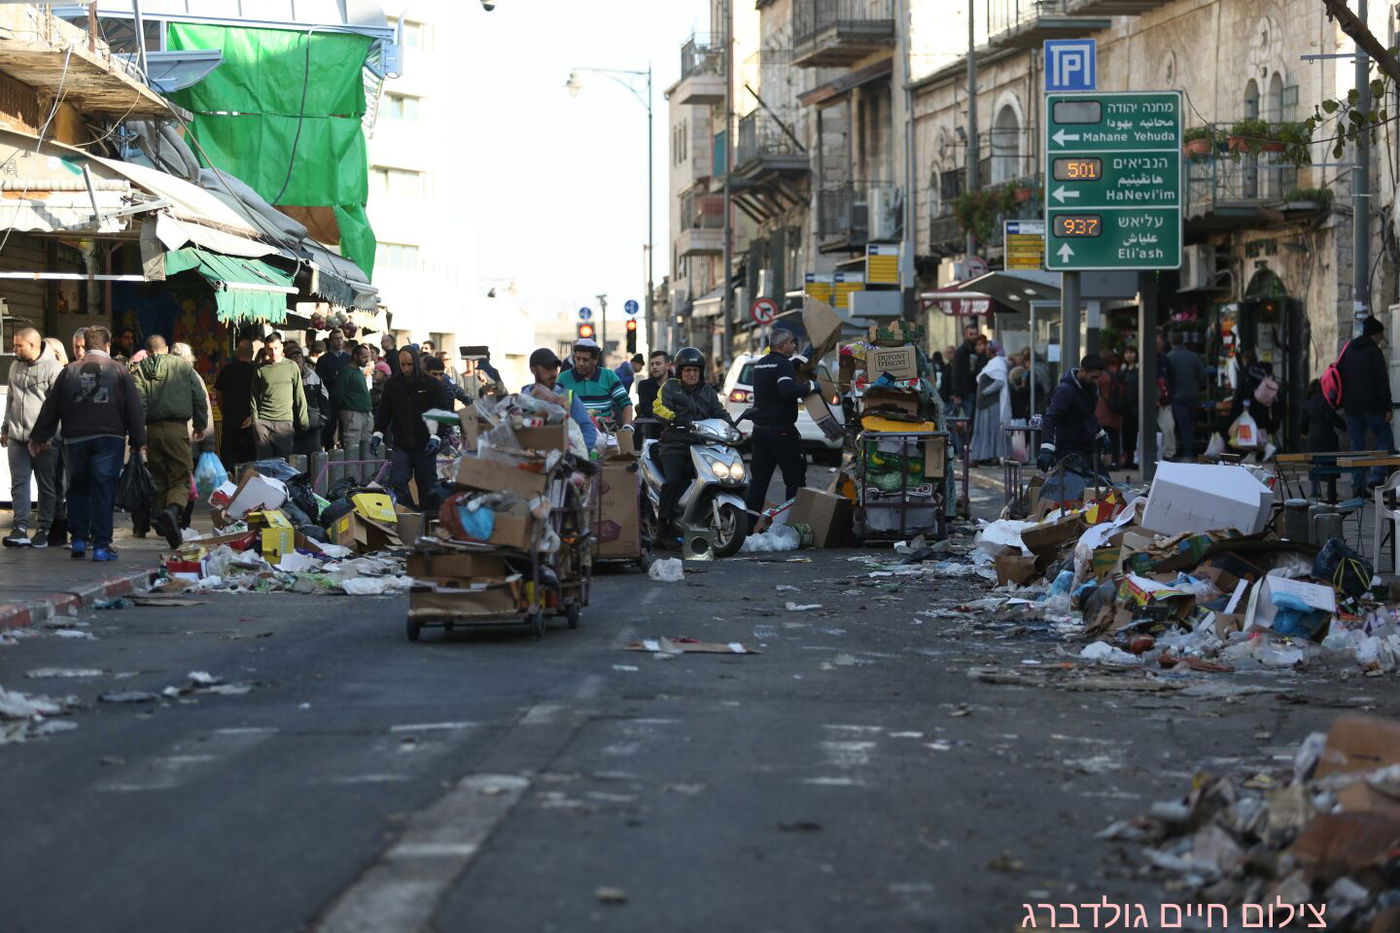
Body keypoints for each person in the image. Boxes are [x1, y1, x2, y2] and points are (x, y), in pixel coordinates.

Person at [29, 326, 145, 561]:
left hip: (75, 439)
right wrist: (137, 440)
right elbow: (134, 407)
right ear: (108, 345)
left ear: (87, 344)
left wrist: (39, 436)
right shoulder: (119, 370)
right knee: (103, 490)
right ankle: (101, 546)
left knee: (77, 488)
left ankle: (79, 541)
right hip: (109, 438)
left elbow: (51, 406)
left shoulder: (69, 371)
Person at [132, 335, 208, 548]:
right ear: (166, 348)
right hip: (177, 429)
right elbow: (198, 396)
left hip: (152, 431)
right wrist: (200, 425)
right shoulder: (182, 367)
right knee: (181, 477)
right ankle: (173, 511)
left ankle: (164, 518)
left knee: (159, 478)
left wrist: (139, 434)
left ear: (147, 352)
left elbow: (139, 403)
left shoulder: (139, 370)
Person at [741, 328, 819, 530]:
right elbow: (787, 390)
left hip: (760, 432)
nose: (794, 345)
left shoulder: (761, 364)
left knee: (759, 482)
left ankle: (747, 528)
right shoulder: (782, 364)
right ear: (782, 345)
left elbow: (780, 369)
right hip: (782, 432)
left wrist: (801, 359)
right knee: (795, 479)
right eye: (792, 342)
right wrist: (811, 387)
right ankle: (791, 526)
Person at [653, 347, 731, 541]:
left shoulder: (708, 391)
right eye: (687, 370)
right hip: (674, 445)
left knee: (720, 475)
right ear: (680, 371)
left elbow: (719, 412)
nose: (691, 374)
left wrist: (732, 427)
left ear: (700, 372)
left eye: (695, 370)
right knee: (673, 481)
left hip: (701, 445)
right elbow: (658, 407)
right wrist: (673, 418)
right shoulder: (670, 387)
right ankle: (663, 529)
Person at [2, 327, 62, 548]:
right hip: (17, 436)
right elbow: (10, 398)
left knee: (46, 485)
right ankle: (19, 528)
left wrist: (50, 435)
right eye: (14, 345)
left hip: (44, 439)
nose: (15, 349)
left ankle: (44, 529)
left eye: (19, 345)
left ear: (33, 345)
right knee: (19, 483)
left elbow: (58, 406)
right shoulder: (15, 365)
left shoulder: (53, 368)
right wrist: (5, 427)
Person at [373, 347, 450, 511]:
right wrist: (377, 433)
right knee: (397, 480)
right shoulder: (392, 384)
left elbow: (442, 413)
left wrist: (436, 437)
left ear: (415, 362)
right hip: (402, 444)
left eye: (409, 364)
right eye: (403, 364)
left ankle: (427, 518)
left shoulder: (431, 384)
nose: (406, 368)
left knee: (427, 486)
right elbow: (384, 412)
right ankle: (410, 513)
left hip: (425, 444)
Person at [1339, 314, 1396, 492]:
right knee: (1385, 437)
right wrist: (1387, 407)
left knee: (1357, 445)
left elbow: (1340, 374)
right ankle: (1377, 476)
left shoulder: (1349, 350)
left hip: (1351, 407)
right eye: (1380, 336)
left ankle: (1358, 485)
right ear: (1375, 334)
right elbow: (1382, 381)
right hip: (1372, 407)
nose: (1380, 340)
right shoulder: (1374, 352)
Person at [1036, 354, 1110, 473]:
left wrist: (1101, 434)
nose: (1095, 381)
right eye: (1093, 377)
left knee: (1102, 481)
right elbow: (1050, 419)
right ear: (1082, 371)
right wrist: (1047, 448)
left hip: (1088, 447)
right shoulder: (1065, 391)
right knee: (1078, 483)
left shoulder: (1091, 388)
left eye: (1098, 377)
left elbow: (1089, 414)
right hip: (1069, 449)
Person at [248, 333, 308, 459]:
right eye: (270, 349)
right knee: (265, 463)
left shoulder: (292, 366)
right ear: (265, 349)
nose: (273, 352)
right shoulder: (261, 369)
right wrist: (255, 420)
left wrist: (304, 419)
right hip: (263, 422)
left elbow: (299, 394)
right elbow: (254, 395)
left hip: (284, 422)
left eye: (276, 348)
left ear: (282, 347)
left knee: (284, 462)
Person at [524, 348, 596, 453]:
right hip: (531, 459)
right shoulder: (522, 399)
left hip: (564, 458)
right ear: (533, 370)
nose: (553, 373)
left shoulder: (568, 396)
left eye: (555, 368)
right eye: (548, 368)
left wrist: (578, 454)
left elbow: (587, 428)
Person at [558, 337, 634, 430]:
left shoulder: (608, 376)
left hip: (604, 433)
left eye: (585, 360)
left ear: (595, 360)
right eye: (578, 359)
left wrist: (627, 426)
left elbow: (625, 404)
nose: (580, 363)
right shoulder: (563, 378)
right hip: (574, 433)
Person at [332, 343, 376, 479]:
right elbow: (338, 394)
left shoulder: (358, 371)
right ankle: (351, 479)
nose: (367, 360)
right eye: (364, 357)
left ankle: (365, 479)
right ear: (355, 356)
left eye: (368, 357)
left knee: (366, 448)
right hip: (352, 413)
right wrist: (344, 411)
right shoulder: (347, 371)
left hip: (365, 412)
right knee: (353, 448)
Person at [1228, 349, 1279, 459]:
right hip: (1263, 405)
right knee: (1256, 429)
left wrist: (1245, 406)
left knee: (1249, 430)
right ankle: (1254, 453)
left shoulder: (1249, 371)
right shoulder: (1261, 371)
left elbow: (1247, 390)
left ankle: (1264, 448)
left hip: (1252, 406)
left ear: (1245, 359)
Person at [214, 339, 257, 470]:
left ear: (237, 353)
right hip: (249, 423)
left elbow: (218, 394)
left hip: (229, 422)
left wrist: (224, 411)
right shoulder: (256, 371)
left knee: (228, 462)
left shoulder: (226, 370)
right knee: (249, 465)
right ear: (252, 353)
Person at [1166, 332, 1207, 461]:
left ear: (1170, 343)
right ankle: (1189, 451)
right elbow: (1202, 376)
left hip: (1177, 396)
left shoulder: (1169, 358)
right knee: (1189, 425)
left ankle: (1187, 453)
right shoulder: (1193, 356)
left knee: (1181, 426)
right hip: (1193, 396)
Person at [1303, 379, 1346, 499]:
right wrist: (1343, 426)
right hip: (1326, 435)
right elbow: (1331, 417)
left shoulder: (1308, 402)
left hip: (1312, 437)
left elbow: (1303, 420)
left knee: (1314, 463)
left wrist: (1304, 432)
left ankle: (1314, 490)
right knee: (1330, 462)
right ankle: (1331, 491)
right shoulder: (1324, 401)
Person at [968, 342, 1011, 465]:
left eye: (987, 348)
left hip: (991, 405)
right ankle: (983, 456)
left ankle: (992, 456)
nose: (985, 350)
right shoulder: (992, 363)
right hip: (983, 405)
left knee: (991, 430)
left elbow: (1000, 382)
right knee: (984, 430)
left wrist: (985, 392)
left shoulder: (998, 362)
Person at [285, 342, 328, 457]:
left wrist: (323, 418)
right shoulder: (283, 376)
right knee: (294, 458)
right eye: (293, 356)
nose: (297, 358)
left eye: (299, 355)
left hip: (312, 424)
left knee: (315, 457)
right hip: (291, 426)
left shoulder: (313, 375)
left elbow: (323, 397)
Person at [315, 330, 351, 449]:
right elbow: (318, 379)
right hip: (329, 399)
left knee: (346, 430)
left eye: (341, 338)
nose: (339, 341)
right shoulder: (323, 359)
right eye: (336, 338)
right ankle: (329, 452)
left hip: (345, 400)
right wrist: (332, 378)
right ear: (330, 341)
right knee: (329, 429)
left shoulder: (348, 358)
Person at [1094, 351, 1125, 467]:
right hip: (1116, 410)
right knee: (1114, 437)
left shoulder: (1101, 376)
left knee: (1099, 437)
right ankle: (1115, 461)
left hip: (1102, 410)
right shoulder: (1118, 372)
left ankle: (1099, 463)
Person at [635, 350, 671, 440]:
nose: (654, 367)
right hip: (650, 432)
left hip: (673, 431)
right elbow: (646, 409)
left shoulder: (676, 384)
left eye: (658, 364)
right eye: (652, 364)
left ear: (667, 365)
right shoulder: (644, 385)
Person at [1119, 345, 1141, 468]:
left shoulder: (1139, 371)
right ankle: (1128, 459)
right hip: (1125, 408)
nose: (1129, 355)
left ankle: (1132, 459)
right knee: (1126, 435)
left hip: (1135, 407)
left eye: (1131, 352)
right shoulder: (1123, 370)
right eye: (1126, 352)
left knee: (1133, 434)